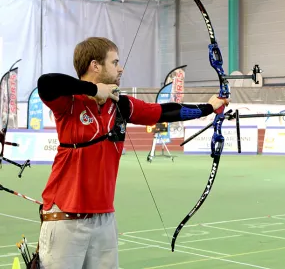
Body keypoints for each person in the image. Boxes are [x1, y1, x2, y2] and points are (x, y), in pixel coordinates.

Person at [36, 37, 229, 269]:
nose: (120, 67)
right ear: (95, 65)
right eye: (114, 62)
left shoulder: (121, 105)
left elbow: (163, 112)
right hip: (65, 216)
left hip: (104, 218)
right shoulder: (68, 103)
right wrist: (95, 89)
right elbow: (47, 82)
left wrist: (208, 107)